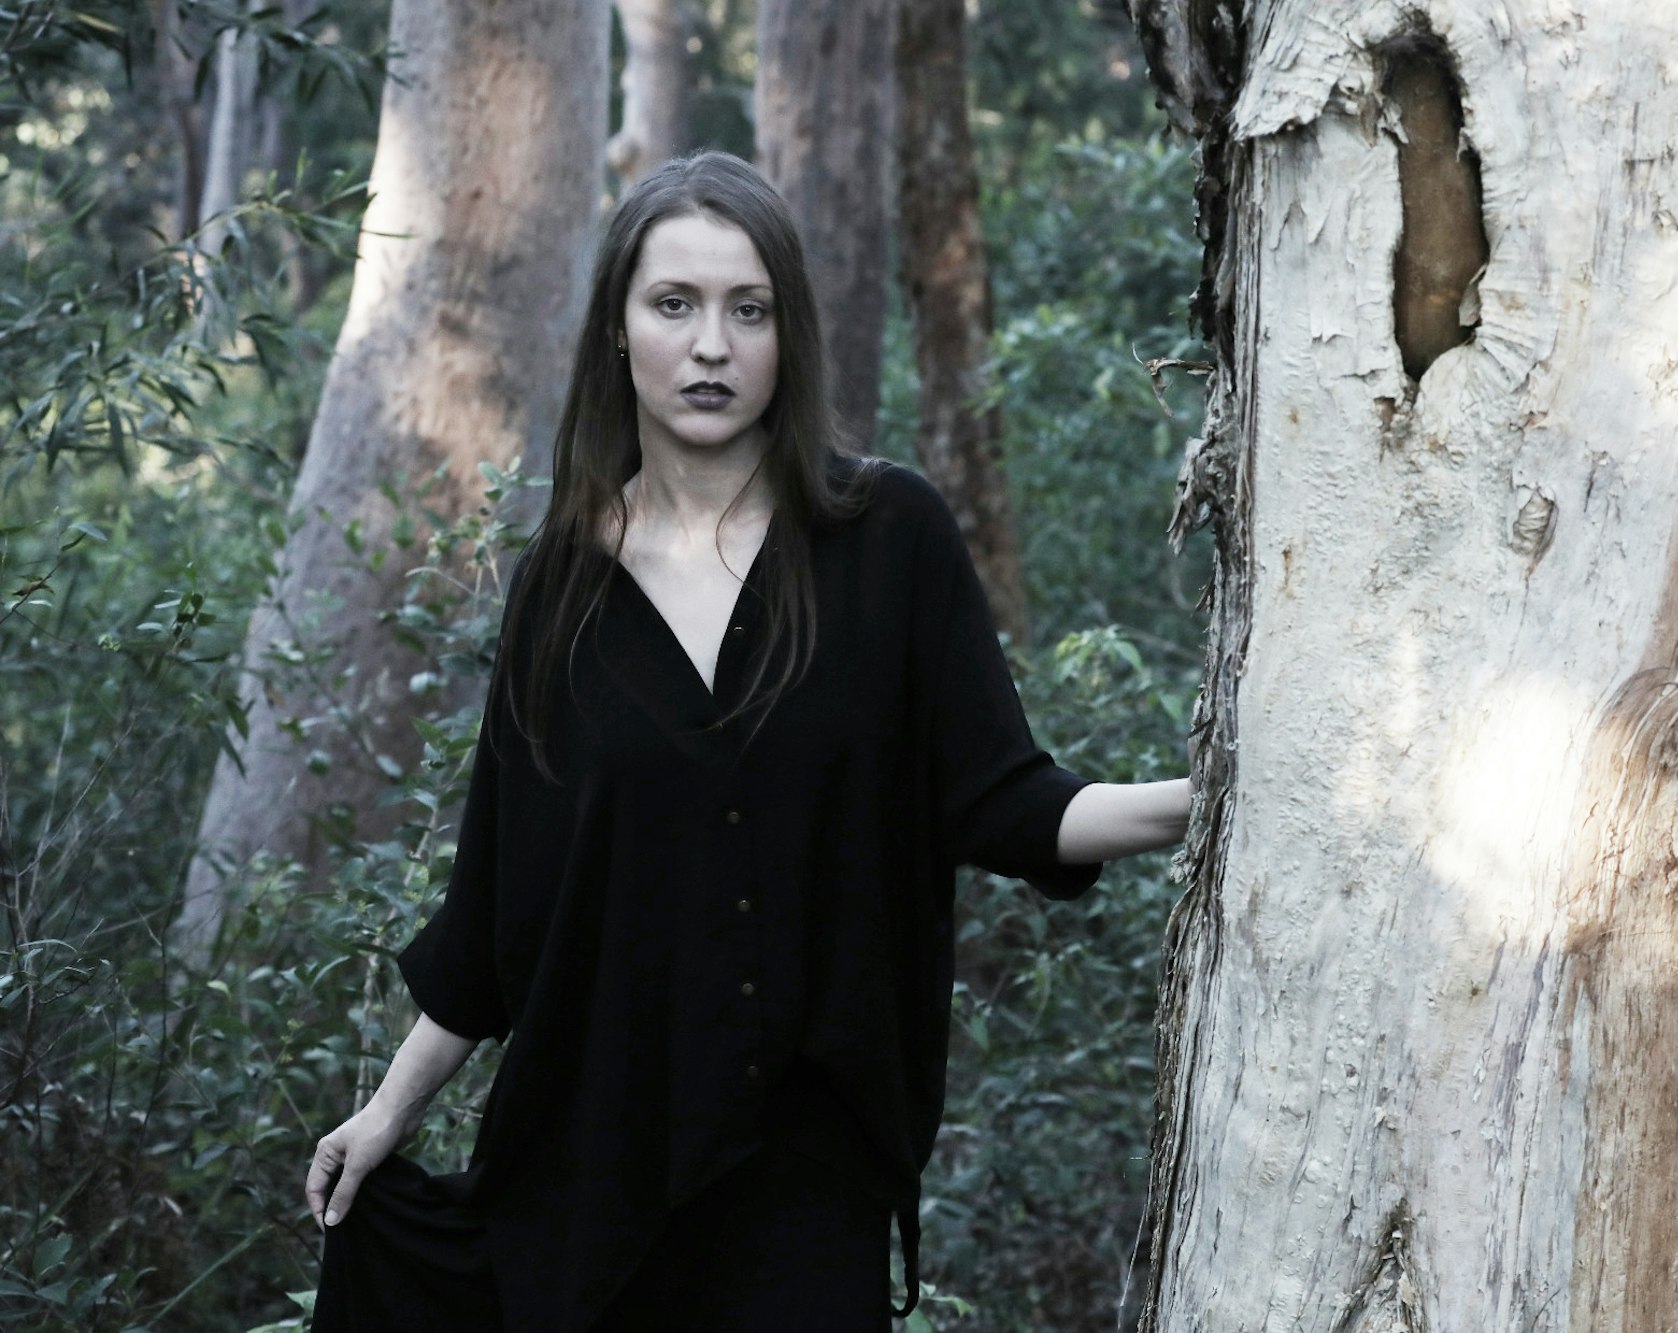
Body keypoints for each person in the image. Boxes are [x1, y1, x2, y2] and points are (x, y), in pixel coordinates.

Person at [304, 149, 1190, 1332]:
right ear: (618, 330)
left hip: (805, 1171)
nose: (711, 345)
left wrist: (1211, 794)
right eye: (673, 304)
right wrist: (385, 1114)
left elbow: (1008, 801)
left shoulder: (887, 540)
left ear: (788, 336)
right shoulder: (559, 588)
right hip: (590, 1167)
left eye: (747, 309)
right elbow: (494, 915)